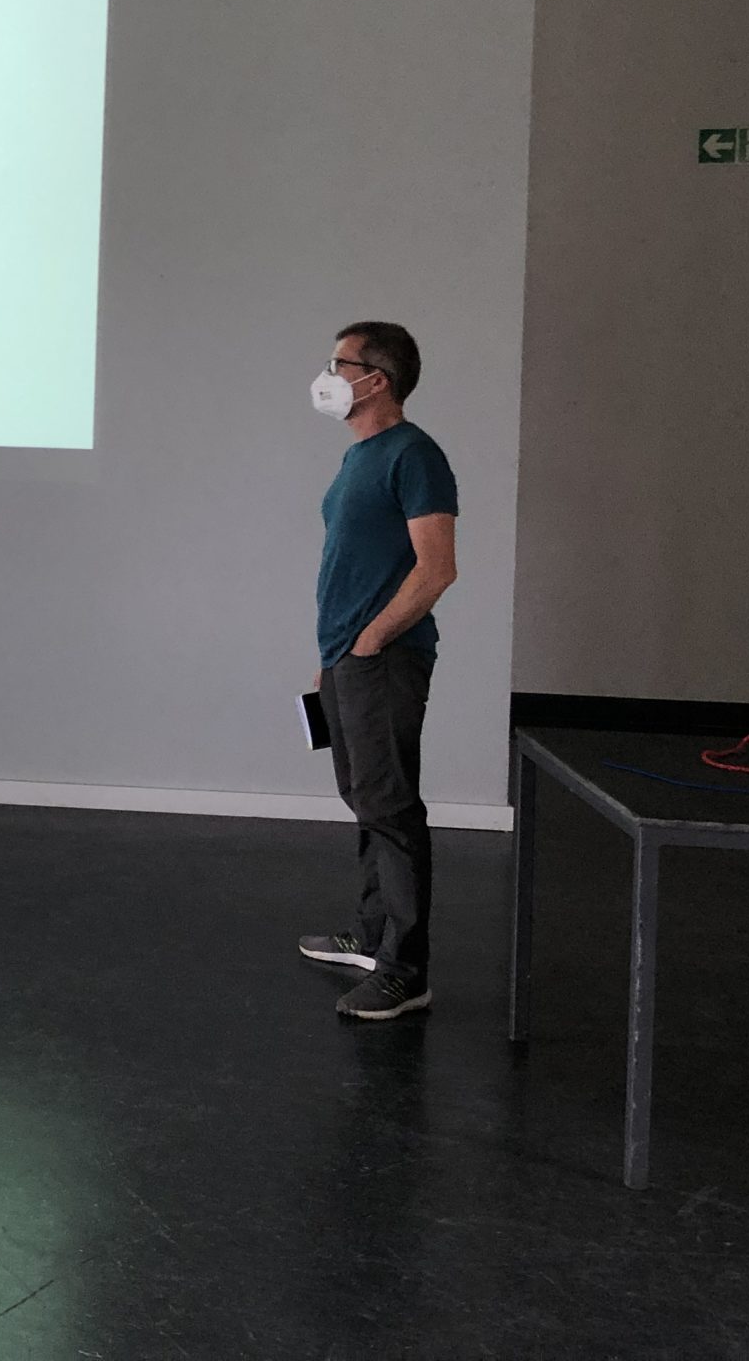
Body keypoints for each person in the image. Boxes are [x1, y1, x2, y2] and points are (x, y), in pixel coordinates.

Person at [297, 321, 457, 1021]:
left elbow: (437, 568)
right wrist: (333, 656)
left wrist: (370, 642)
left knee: (390, 808)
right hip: (346, 658)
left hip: (384, 660)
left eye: (339, 363)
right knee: (365, 796)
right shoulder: (358, 456)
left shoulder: (415, 455)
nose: (327, 374)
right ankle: (370, 937)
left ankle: (404, 971)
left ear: (376, 380)